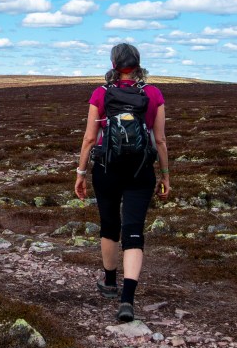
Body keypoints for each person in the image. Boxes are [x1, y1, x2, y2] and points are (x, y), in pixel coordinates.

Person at [73, 43, 170, 323]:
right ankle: (127, 299)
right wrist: (165, 174)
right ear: (138, 64)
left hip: (107, 168)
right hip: (141, 171)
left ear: (113, 64)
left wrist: (80, 173)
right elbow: (160, 139)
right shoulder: (153, 94)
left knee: (109, 224)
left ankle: (110, 281)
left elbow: (90, 138)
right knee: (134, 230)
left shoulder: (101, 93)